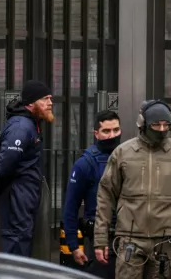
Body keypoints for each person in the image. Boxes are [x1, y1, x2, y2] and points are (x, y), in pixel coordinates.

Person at [94, 100, 171, 279]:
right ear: (143, 123)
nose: (161, 129)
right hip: (130, 237)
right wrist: (100, 238)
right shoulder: (123, 153)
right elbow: (106, 195)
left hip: (167, 240)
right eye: (156, 124)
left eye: (166, 125)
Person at [0, 80, 53, 257]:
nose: (50, 103)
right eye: (45, 99)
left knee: (21, 241)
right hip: (16, 201)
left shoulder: (30, 124)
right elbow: (2, 168)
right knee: (16, 245)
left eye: (50, 98)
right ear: (31, 103)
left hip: (22, 199)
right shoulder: (21, 127)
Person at [63, 110, 122, 279]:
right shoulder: (85, 164)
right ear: (96, 133)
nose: (112, 135)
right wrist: (74, 246)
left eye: (116, 130)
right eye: (106, 131)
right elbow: (71, 207)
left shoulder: (128, 158)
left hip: (128, 238)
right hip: (100, 240)